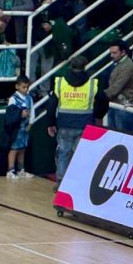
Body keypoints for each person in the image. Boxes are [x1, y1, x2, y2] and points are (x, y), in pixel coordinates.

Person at [46, 55, 108, 190]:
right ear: (84, 67)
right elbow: (103, 101)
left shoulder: (60, 82)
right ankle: (78, 184)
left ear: (71, 66)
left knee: (63, 153)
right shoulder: (92, 83)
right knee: (81, 155)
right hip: (85, 124)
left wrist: (50, 122)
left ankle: (61, 183)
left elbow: (51, 104)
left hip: (64, 124)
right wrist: (98, 116)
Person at [105, 40, 133, 133]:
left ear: (123, 52)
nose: (111, 55)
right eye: (111, 52)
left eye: (114, 53)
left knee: (122, 137)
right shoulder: (121, 64)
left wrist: (101, 97)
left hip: (123, 107)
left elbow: (116, 88)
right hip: (116, 104)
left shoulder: (127, 66)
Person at [4, 74, 32, 179]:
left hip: (25, 128)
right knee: (14, 149)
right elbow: (10, 114)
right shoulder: (13, 99)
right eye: (23, 87)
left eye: (27, 87)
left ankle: (21, 170)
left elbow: (32, 111)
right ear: (17, 86)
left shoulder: (29, 98)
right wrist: (20, 114)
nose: (25, 89)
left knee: (22, 149)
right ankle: (10, 171)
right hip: (16, 128)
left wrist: (31, 123)